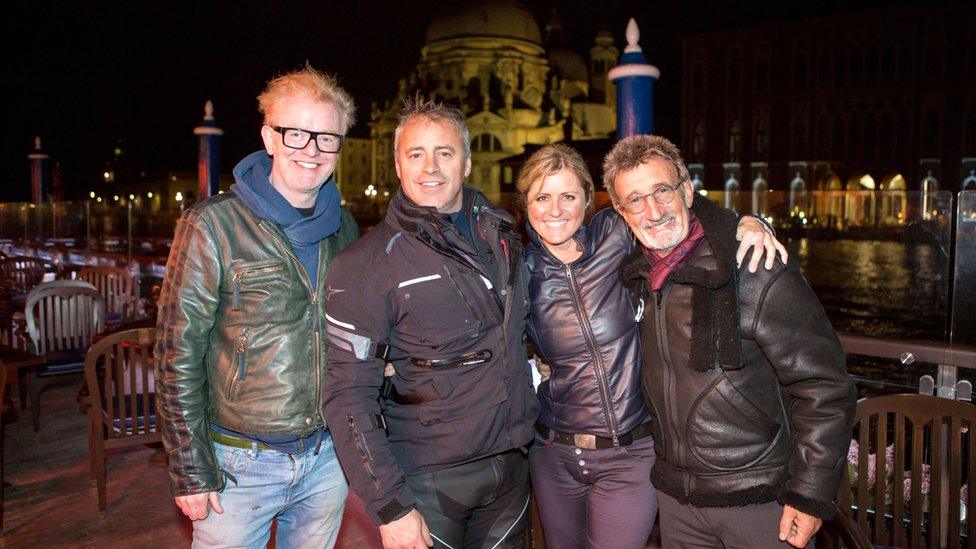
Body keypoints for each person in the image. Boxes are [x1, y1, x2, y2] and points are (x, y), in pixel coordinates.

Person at [517, 144, 785, 549]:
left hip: (631, 452)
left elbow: (673, 206)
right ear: (525, 205)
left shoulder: (616, 234)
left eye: (568, 196)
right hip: (554, 453)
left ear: (589, 201)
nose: (555, 209)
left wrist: (748, 221)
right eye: (542, 197)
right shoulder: (517, 271)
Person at [604, 134, 856, 549]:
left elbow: (825, 386)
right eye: (635, 200)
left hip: (762, 503)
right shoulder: (636, 279)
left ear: (687, 190)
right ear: (621, 211)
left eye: (662, 191)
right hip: (678, 503)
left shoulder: (753, 266)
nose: (652, 211)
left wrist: (810, 495)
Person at [154, 65, 359, 548]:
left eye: (326, 138)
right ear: (269, 137)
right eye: (296, 134)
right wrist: (190, 470)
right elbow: (175, 353)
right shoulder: (213, 225)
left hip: (327, 459)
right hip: (237, 464)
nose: (311, 150)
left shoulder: (345, 228)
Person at [322, 98, 537, 549]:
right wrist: (390, 505)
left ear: (468, 161)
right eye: (416, 153)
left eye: (445, 152)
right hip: (430, 479)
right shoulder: (364, 264)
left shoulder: (505, 238)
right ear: (397, 164)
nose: (431, 167)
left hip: (513, 469)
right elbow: (346, 396)